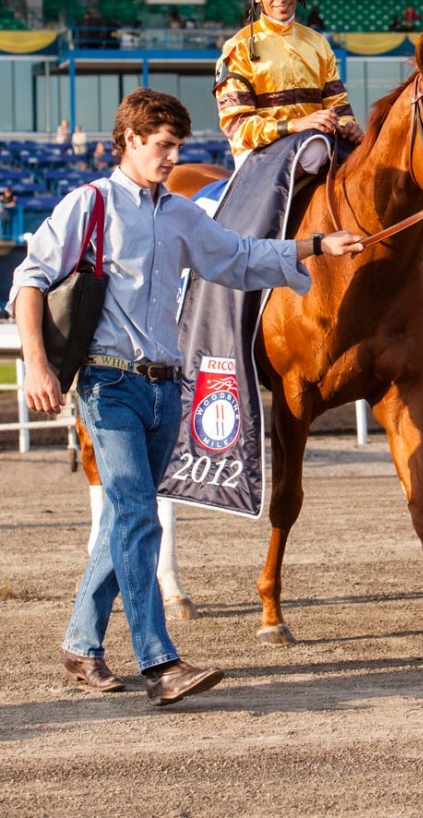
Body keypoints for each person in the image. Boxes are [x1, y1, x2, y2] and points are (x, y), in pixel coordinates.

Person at [9, 88, 364, 705]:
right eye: (162, 146)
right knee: (139, 517)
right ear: (129, 142)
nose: (172, 157)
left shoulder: (179, 214)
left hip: (165, 390)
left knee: (125, 520)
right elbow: (28, 279)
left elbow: (240, 258)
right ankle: (159, 661)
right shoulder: (86, 204)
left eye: (177, 146)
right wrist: (36, 366)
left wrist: (315, 245)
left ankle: (81, 643)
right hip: (106, 385)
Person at [214, 0, 363, 170]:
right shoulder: (238, 48)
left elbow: (338, 106)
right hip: (260, 154)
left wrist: (347, 125)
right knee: (315, 151)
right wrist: (295, 125)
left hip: (318, 143)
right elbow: (237, 126)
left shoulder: (318, 43)